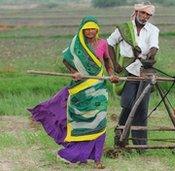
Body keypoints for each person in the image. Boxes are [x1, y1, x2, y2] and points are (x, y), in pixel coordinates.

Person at [28, 16, 118, 168]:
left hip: (98, 89)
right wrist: (74, 71)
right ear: (82, 30)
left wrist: (112, 74)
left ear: (97, 29)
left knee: (100, 122)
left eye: (92, 28)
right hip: (80, 89)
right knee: (82, 123)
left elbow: (108, 61)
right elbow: (66, 59)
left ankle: (97, 160)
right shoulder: (76, 44)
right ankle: (77, 153)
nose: (90, 31)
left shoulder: (103, 43)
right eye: (86, 29)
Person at [107, 1, 159, 146]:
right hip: (128, 71)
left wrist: (149, 54)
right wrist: (115, 64)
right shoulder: (124, 28)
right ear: (136, 12)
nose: (145, 17)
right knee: (128, 104)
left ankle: (140, 144)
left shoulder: (153, 30)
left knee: (142, 108)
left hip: (145, 72)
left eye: (148, 15)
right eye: (143, 13)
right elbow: (109, 44)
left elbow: (154, 47)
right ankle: (121, 138)